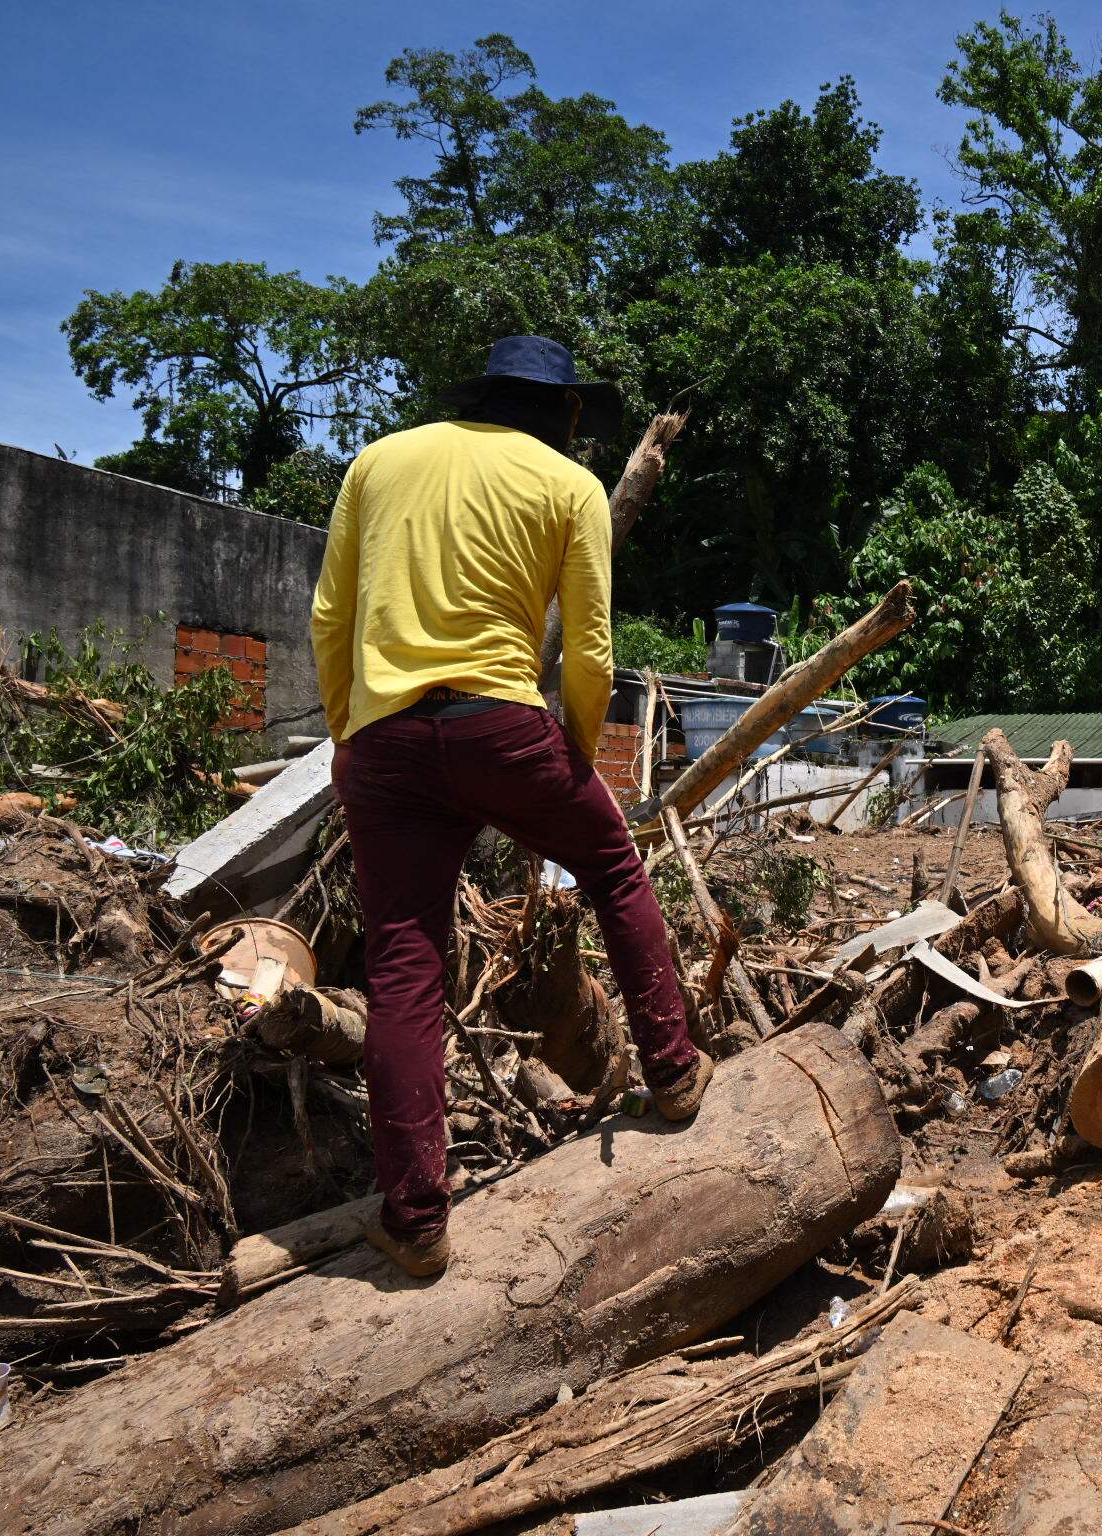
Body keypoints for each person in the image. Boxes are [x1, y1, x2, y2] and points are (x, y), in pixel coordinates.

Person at [310, 335, 711, 1279]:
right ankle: (675, 1072)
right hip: (503, 726)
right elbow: (591, 654)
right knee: (612, 864)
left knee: (404, 964)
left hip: (385, 741)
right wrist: (566, 756)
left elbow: (330, 617)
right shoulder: (569, 484)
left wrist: (349, 733)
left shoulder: (378, 461)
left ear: (481, 396)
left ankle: (414, 1220)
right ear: (565, 414)